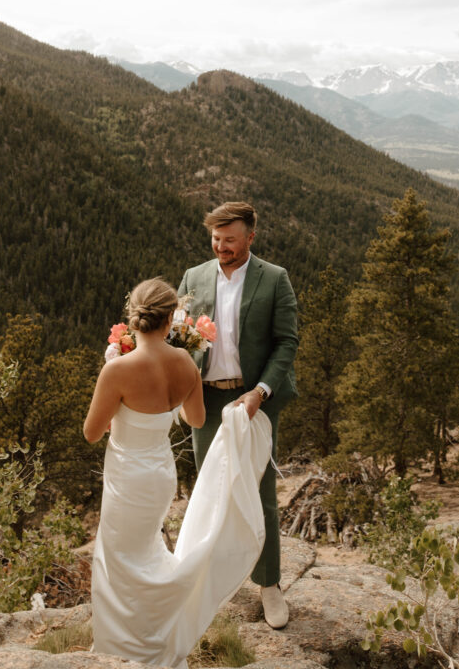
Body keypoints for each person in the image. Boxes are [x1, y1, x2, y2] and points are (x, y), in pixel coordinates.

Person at [84, 277, 272, 669]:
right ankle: (156, 635)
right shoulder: (185, 362)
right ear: (171, 318)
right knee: (148, 552)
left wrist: (110, 379)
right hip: (160, 473)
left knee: (118, 558)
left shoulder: (117, 370)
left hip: (128, 476)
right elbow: (196, 418)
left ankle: (123, 648)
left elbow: (91, 433)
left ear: (133, 319)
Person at [178, 201, 298, 629]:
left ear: (251, 237)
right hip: (205, 401)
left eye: (230, 239)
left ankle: (269, 586)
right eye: (215, 238)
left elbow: (287, 341)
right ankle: (204, 583)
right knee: (209, 491)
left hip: (254, 402)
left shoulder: (275, 278)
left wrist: (259, 392)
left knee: (260, 489)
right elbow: (178, 336)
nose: (221, 246)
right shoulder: (193, 277)